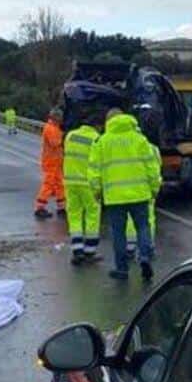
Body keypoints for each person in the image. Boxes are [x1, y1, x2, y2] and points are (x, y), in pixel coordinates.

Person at [89, 109, 160, 281]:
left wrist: (96, 191)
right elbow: (152, 167)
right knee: (142, 227)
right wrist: (154, 188)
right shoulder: (140, 140)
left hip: (114, 197)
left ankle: (122, 269)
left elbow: (94, 170)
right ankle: (144, 257)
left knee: (118, 233)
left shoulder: (102, 141)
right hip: (139, 194)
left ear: (108, 121)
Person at [62, 115, 102, 265]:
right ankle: (90, 251)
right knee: (92, 214)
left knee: (74, 215)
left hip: (70, 182)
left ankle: (77, 250)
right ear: (97, 126)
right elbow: (98, 162)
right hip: (88, 183)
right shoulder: (96, 139)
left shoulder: (70, 136)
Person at [125, 140, 160, 257]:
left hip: (130, 188)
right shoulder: (152, 149)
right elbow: (155, 170)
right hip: (146, 189)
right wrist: (155, 189)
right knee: (148, 219)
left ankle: (130, 246)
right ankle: (148, 246)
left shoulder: (129, 147)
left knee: (130, 216)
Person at [34, 107, 65, 218]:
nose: (61, 120)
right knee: (48, 184)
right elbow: (55, 143)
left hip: (55, 161)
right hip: (50, 162)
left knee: (59, 184)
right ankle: (40, 208)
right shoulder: (51, 128)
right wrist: (64, 137)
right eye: (60, 118)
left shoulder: (54, 128)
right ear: (56, 117)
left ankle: (61, 207)